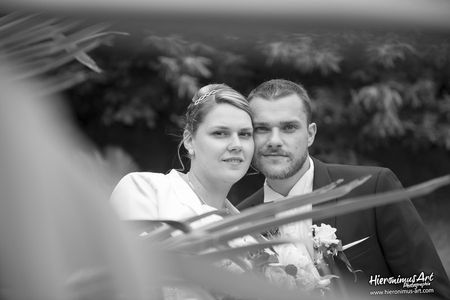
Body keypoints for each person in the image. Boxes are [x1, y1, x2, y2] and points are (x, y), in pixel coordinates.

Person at [237, 79, 450, 299]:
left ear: (310, 134)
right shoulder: (238, 222)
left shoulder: (373, 188)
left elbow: (428, 289)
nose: (274, 141)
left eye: (289, 127)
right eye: (261, 129)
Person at [110, 83, 254, 226]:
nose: (236, 145)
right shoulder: (146, 191)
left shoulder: (251, 233)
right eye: (220, 133)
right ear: (189, 140)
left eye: (245, 134)